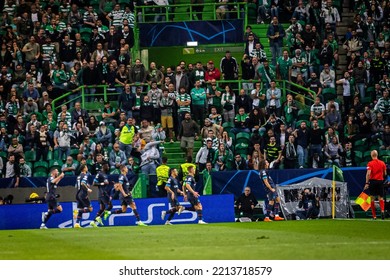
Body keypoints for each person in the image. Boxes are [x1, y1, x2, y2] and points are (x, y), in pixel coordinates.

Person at [364, 150, 387, 220]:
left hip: (373, 181)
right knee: (381, 198)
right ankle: (382, 211)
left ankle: (374, 216)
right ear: (377, 155)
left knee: (372, 198)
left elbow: (368, 174)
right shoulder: (382, 163)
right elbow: (385, 173)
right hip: (380, 181)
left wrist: (367, 183)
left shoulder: (370, 163)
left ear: (371, 155)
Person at [90, 163, 112, 227]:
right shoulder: (100, 174)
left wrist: (109, 183)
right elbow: (94, 183)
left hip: (101, 193)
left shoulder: (105, 175)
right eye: (107, 165)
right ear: (103, 166)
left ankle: (93, 222)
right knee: (110, 206)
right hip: (102, 193)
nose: (108, 167)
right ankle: (99, 217)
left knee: (102, 208)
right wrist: (102, 183)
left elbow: (105, 183)